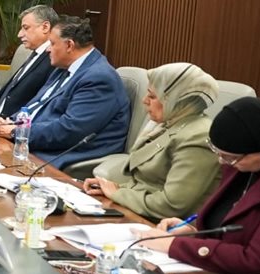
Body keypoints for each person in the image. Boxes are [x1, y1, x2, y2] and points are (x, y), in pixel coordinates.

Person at [137, 97, 260, 274]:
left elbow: (257, 261)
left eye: (230, 157)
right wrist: (195, 234)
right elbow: (229, 231)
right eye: (218, 153)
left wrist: (175, 245)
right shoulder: (239, 168)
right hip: (214, 272)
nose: (222, 162)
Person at [82, 63, 220, 221]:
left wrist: (118, 193)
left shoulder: (197, 136)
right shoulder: (171, 123)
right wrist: (111, 188)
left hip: (162, 225)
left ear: (176, 100)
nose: (144, 100)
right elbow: (146, 183)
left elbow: (171, 206)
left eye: (152, 96)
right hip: (140, 212)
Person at [0, 15, 129, 169]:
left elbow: (70, 131)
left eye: (52, 43)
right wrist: (11, 122)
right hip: (33, 145)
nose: (48, 49)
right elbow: (37, 105)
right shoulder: (63, 68)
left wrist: (17, 132)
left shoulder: (99, 78)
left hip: (60, 156)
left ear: (69, 45)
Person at [0, 5, 57, 122]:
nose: (19, 34)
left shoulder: (54, 59)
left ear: (45, 27)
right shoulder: (35, 54)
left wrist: (13, 123)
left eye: (26, 28)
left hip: (14, 126)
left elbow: (41, 101)